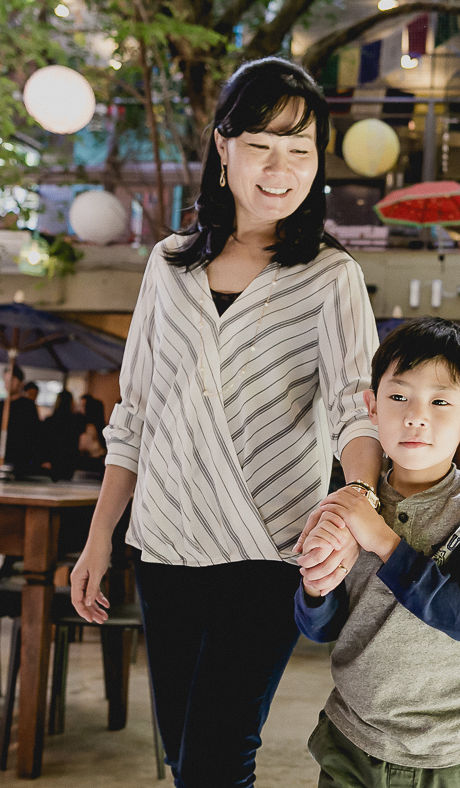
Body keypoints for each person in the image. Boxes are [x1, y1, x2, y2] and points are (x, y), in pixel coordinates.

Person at [69, 56, 383, 788]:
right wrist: (99, 537)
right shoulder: (168, 265)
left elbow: (355, 407)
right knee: (185, 756)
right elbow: (135, 412)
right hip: (166, 542)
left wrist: (357, 502)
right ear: (222, 146)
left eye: (299, 150)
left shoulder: (329, 275)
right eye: (260, 146)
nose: (280, 169)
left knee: (218, 756)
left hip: (267, 545)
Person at [294, 317, 460, 788]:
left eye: (440, 402)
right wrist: (316, 587)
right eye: (398, 397)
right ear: (372, 407)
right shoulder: (348, 504)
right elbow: (322, 628)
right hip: (352, 739)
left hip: (448, 752)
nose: (416, 416)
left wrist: (381, 538)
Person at [0, 364, 42, 474]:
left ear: (21, 383)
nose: (8, 383)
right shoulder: (0, 406)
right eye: (5, 380)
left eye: (12, 380)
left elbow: (35, 434)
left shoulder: (28, 406)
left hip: (20, 460)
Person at [42, 390, 85, 479]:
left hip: (53, 459)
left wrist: (45, 459)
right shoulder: (77, 421)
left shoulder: (50, 421)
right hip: (70, 459)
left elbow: (45, 442)